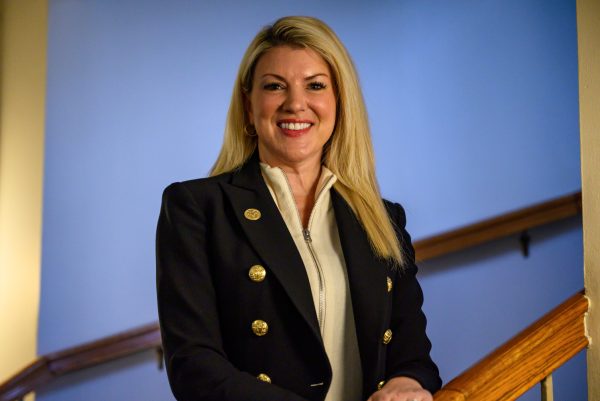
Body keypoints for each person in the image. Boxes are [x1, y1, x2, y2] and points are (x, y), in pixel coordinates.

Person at [156, 16, 441, 401]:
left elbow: (413, 355)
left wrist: (407, 383)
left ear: (339, 101)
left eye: (315, 86)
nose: (295, 104)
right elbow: (194, 365)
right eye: (274, 86)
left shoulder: (383, 219)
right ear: (248, 103)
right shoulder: (195, 208)